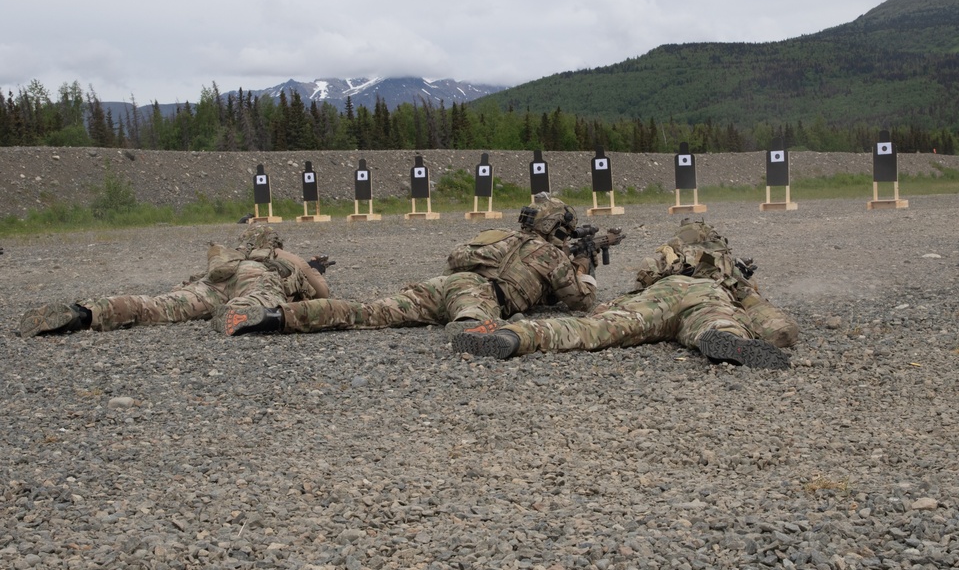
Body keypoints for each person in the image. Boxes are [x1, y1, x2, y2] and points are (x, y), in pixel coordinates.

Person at [215, 194, 598, 336]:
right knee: (475, 321)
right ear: (557, 230)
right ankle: (472, 330)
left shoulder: (500, 236)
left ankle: (274, 317)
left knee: (366, 313)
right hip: (475, 293)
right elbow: (578, 302)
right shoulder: (550, 255)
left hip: (441, 285)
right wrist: (583, 267)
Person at [451, 220, 799, 369]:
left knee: (594, 330)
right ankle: (725, 340)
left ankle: (514, 335)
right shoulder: (725, 268)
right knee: (716, 321)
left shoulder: (671, 254)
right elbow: (775, 327)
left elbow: (643, 280)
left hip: (659, 296)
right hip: (707, 296)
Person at [19, 225, 330, 337]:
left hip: (212, 282)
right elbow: (322, 291)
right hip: (256, 278)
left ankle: (85, 313)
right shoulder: (280, 253)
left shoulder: (231, 255)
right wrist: (313, 269)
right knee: (255, 302)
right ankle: (237, 314)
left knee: (158, 306)